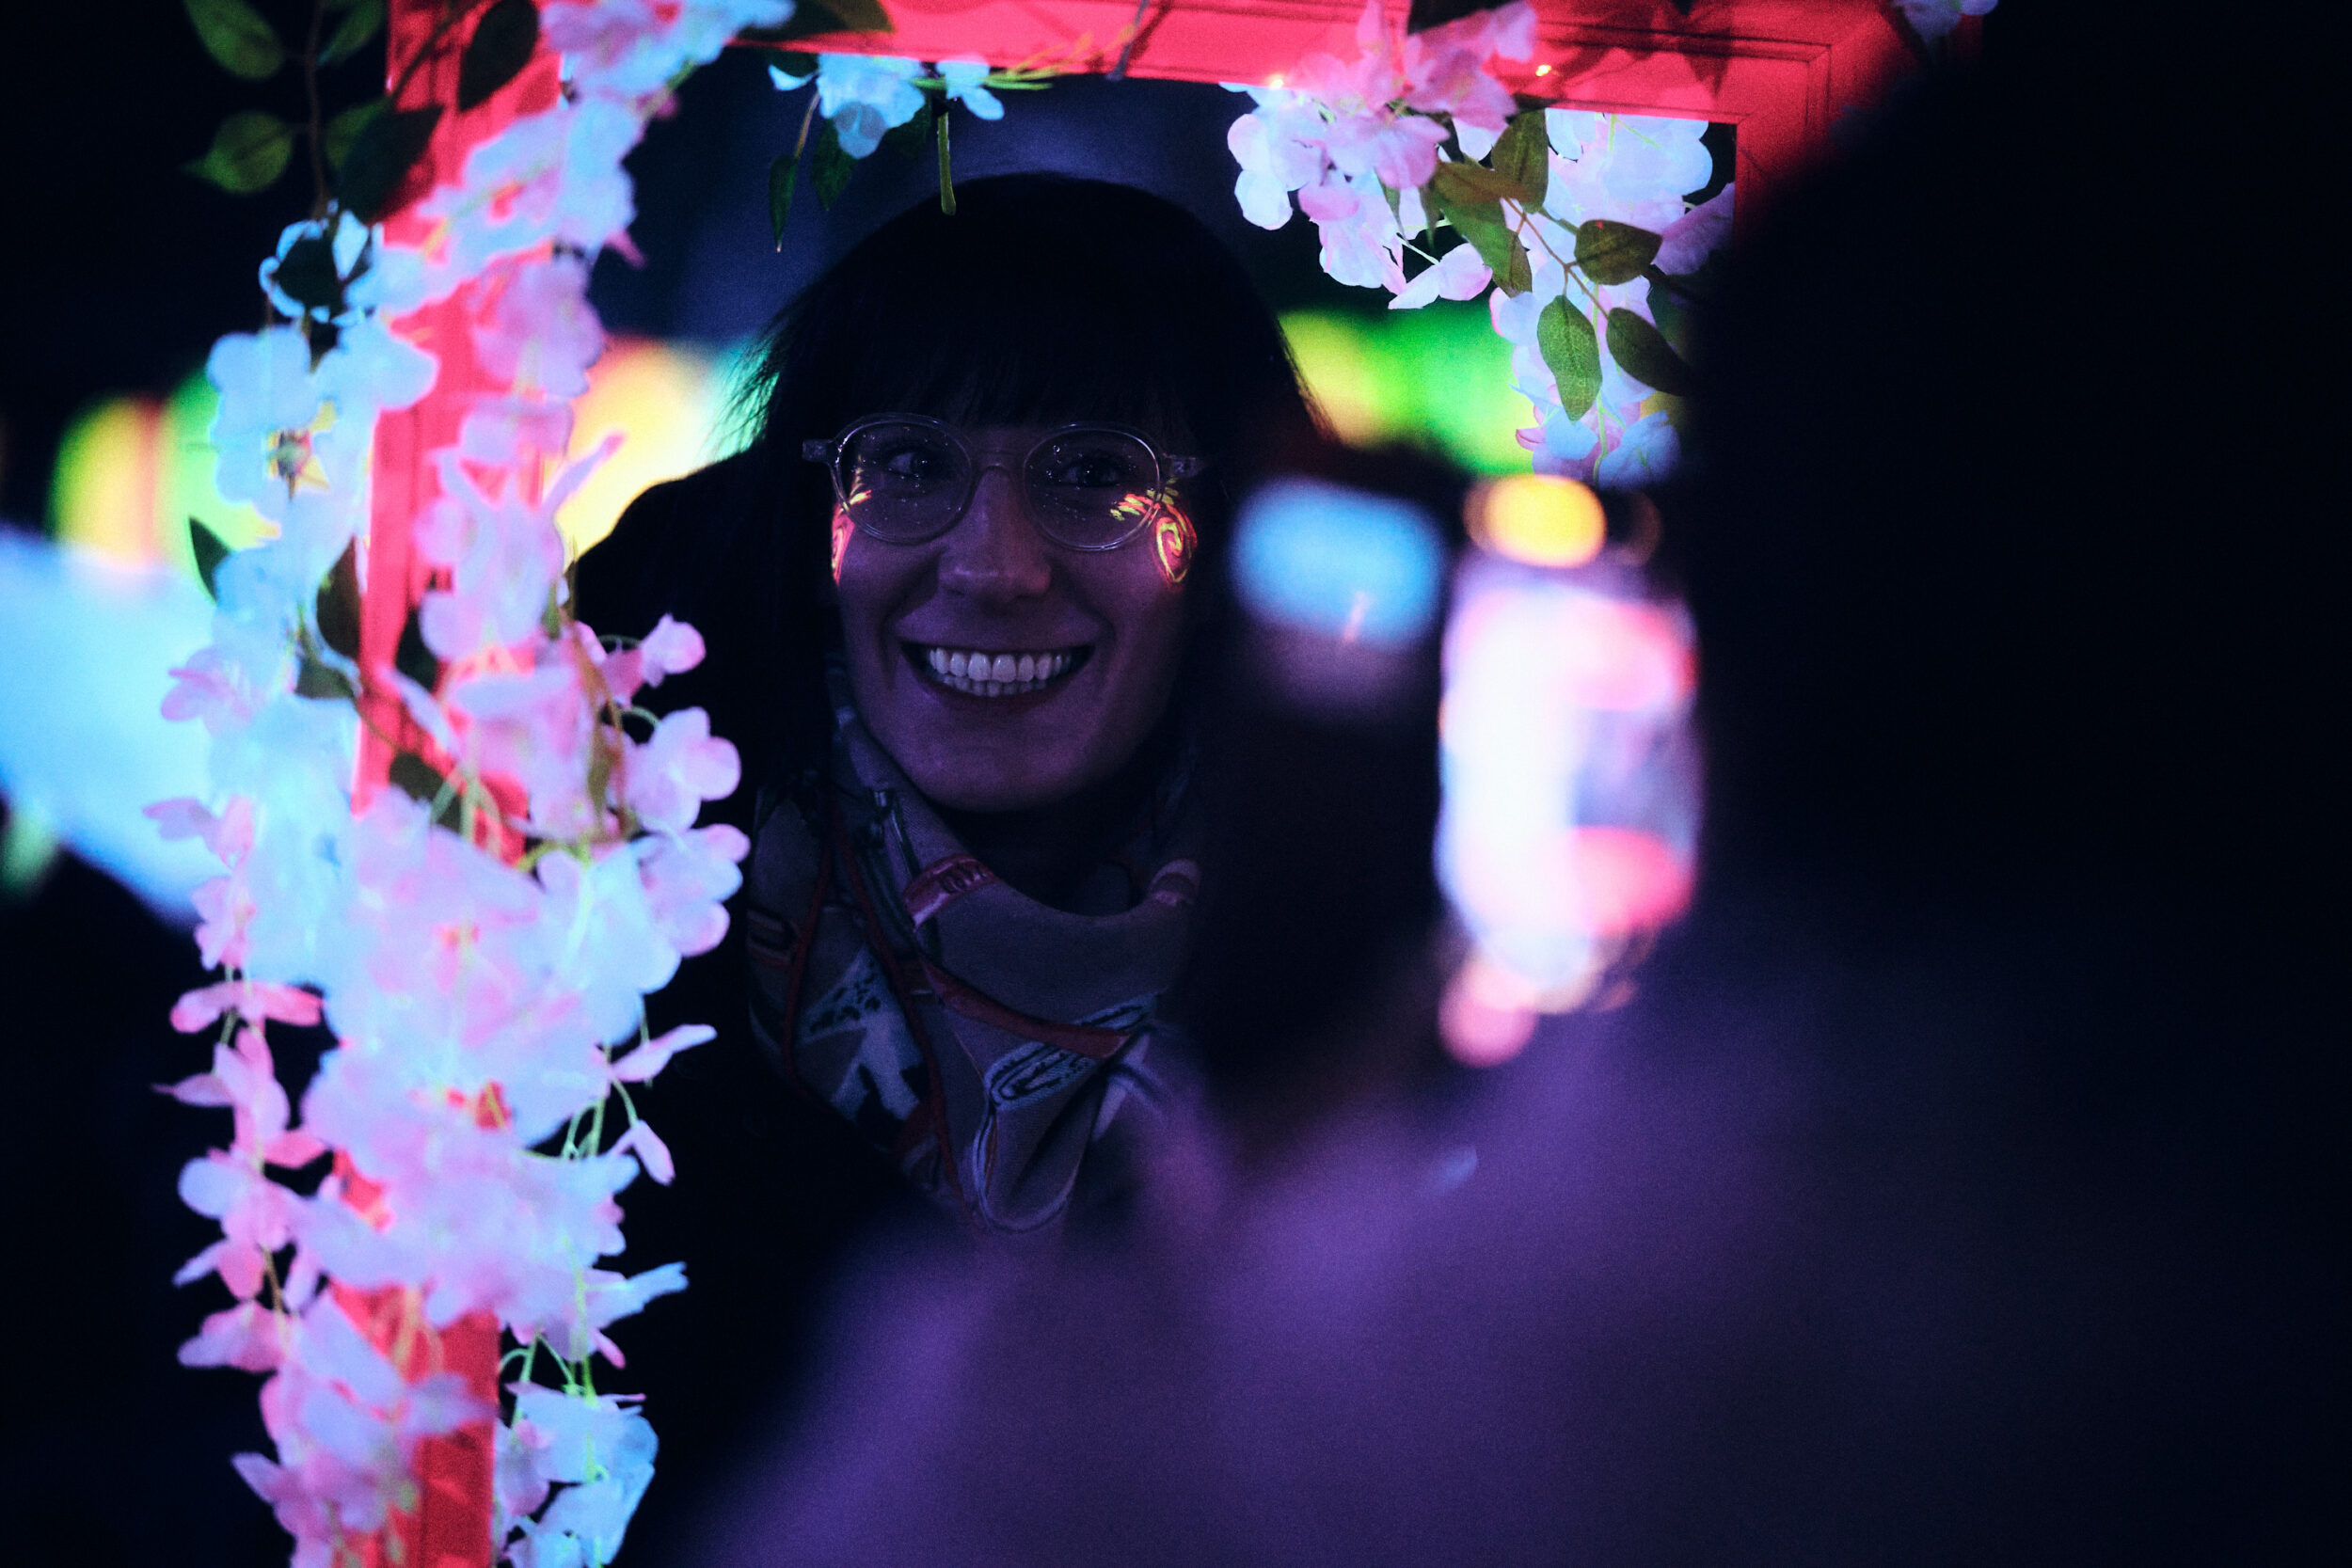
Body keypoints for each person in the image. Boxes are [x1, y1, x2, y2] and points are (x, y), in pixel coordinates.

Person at [571, 174, 1318, 1544]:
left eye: (1095, 475)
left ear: (1238, 542)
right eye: (909, 466)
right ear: (809, 525)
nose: (994, 567)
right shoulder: (571, 944)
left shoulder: (1369, 985)